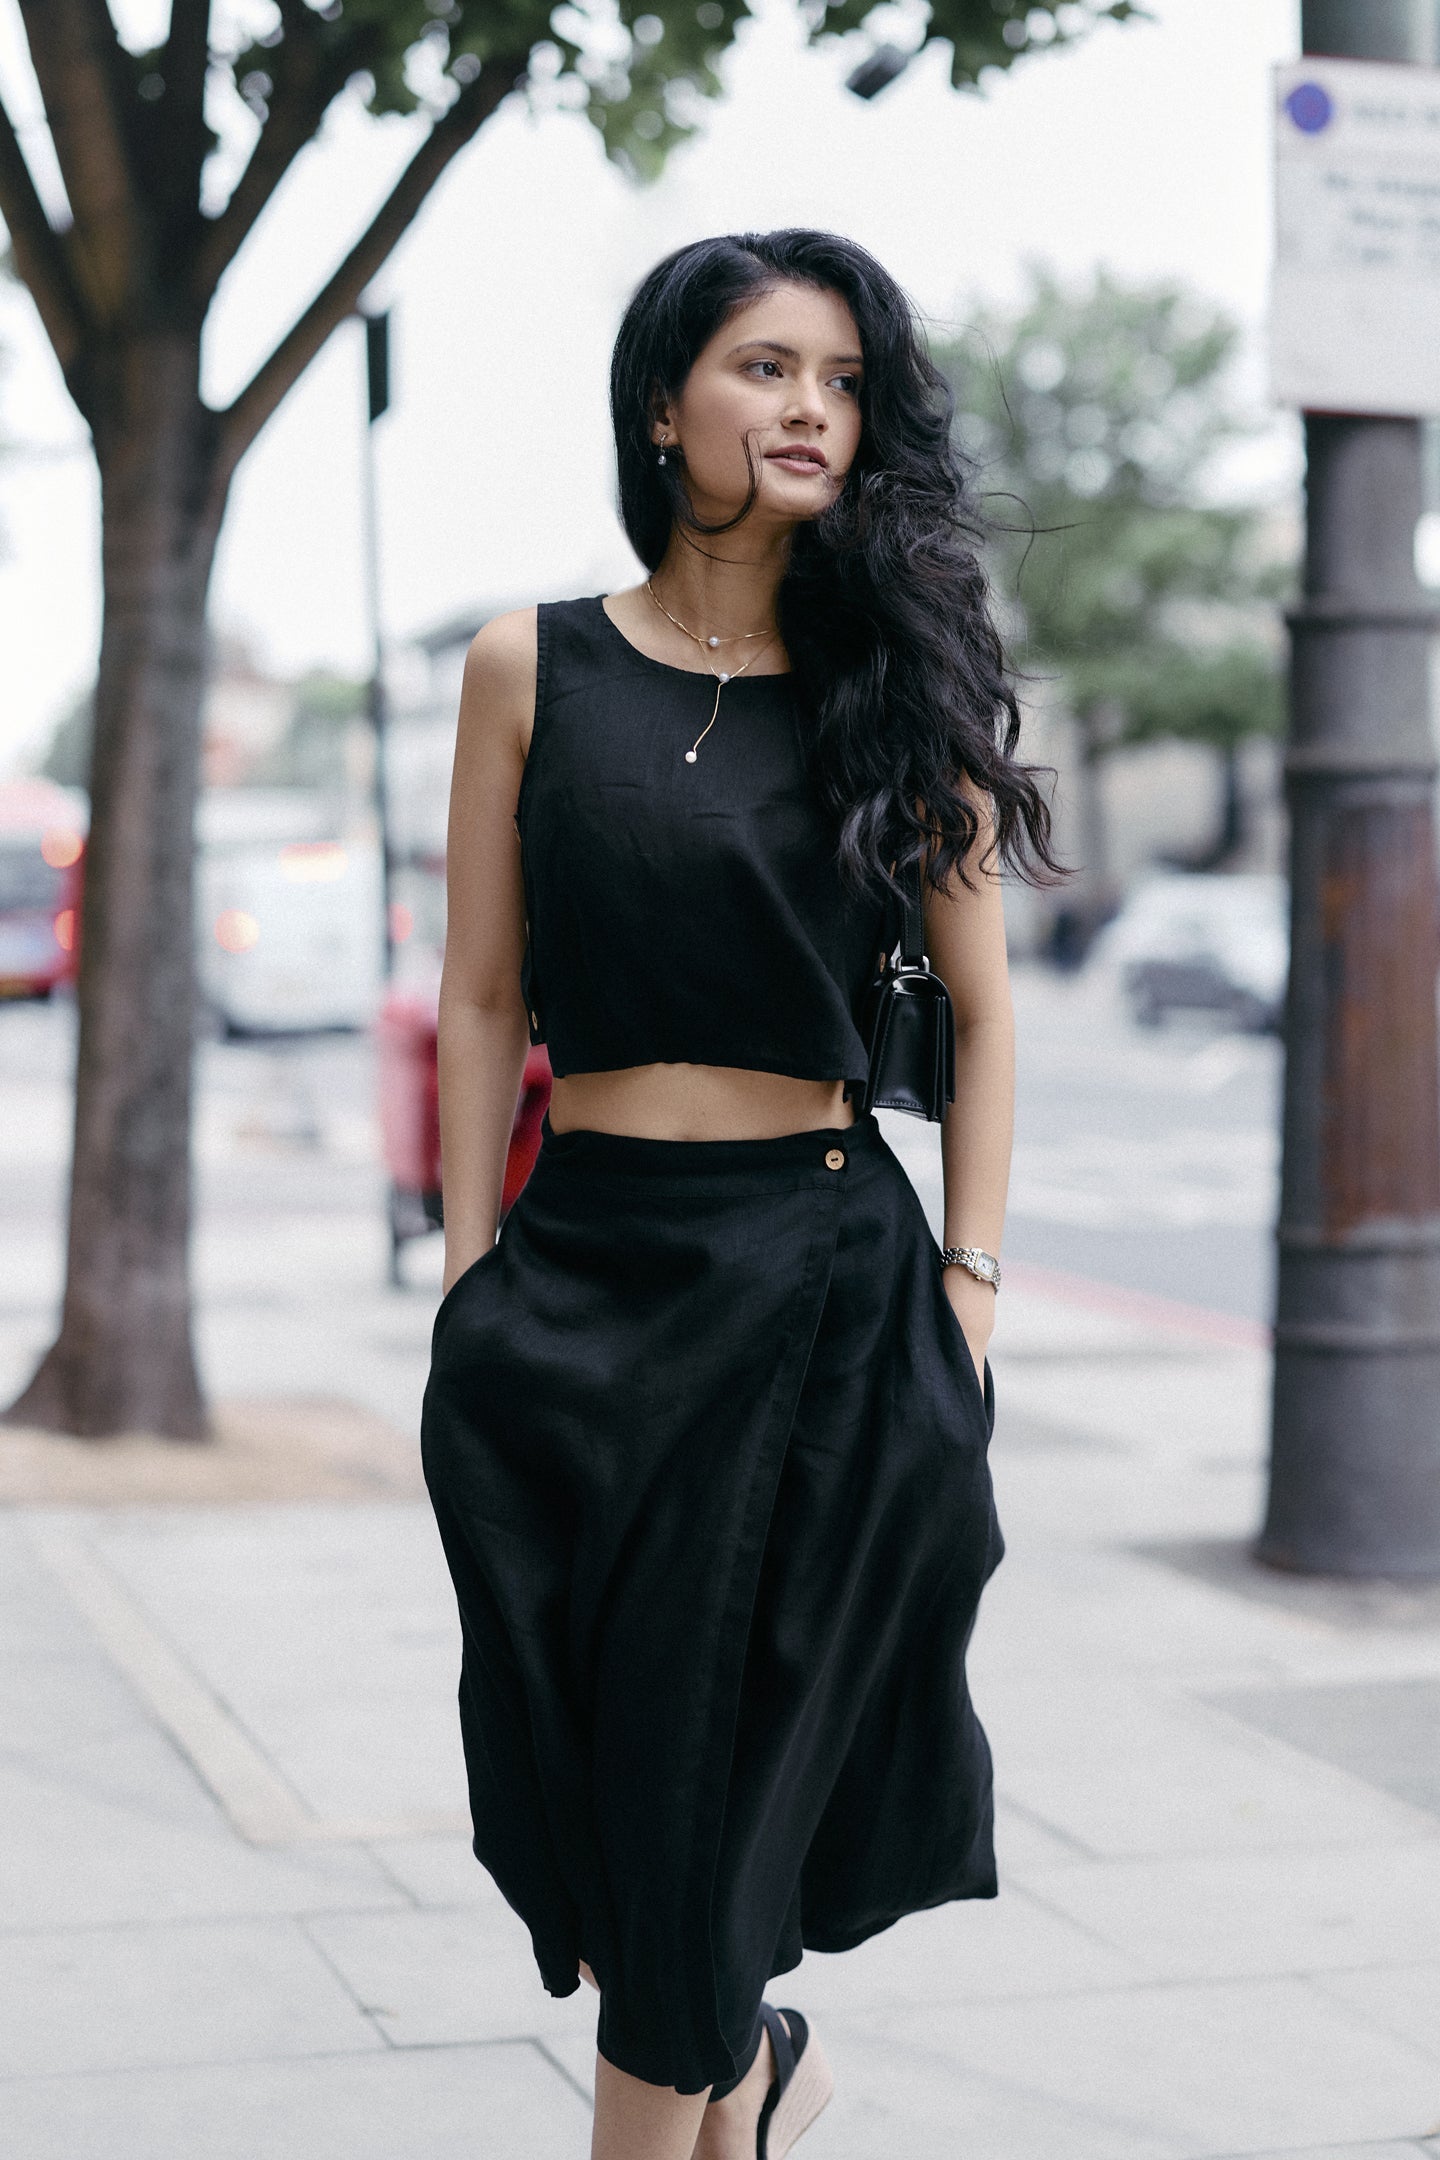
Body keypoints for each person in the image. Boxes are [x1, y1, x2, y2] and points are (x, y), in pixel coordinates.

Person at [420, 228, 1061, 2160]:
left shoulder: (895, 682)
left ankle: (715, 2082)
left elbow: (984, 1010)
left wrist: (968, 1290)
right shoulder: (528, 664)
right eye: (768, 367)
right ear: (662, 400)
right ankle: (753, 2075)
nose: (812, 408)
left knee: (695, 1817)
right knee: (621, 1806)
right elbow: (474, 996)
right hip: (582, 1291)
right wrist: (469, 1277)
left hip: (820, 1290)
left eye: (845, 380)